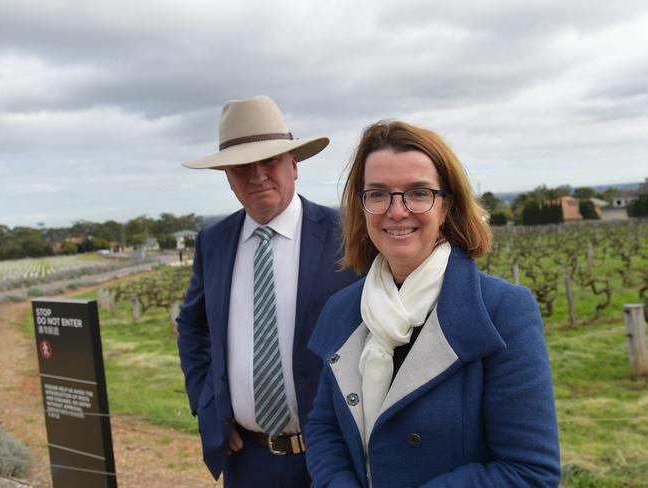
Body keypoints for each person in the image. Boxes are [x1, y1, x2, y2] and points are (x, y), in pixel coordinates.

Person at [305, 120, 561, 487]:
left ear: (447, 206)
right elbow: (324, 426)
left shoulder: (503, 311)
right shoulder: (342, 310)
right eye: (377, 193)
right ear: (361, 206)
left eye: (418, 192)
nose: (396, 211)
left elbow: (529, 471)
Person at [177, 95, 357, 487]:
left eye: (270, 161)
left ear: (294, 165)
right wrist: (207, 405)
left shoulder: (349, 235)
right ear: (226, 174)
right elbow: (192, 327)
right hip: (248, 462)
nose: (256, 175)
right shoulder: (213, 242)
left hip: (336, 457)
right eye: (242, 166)